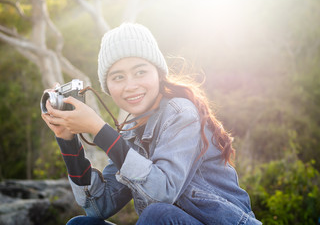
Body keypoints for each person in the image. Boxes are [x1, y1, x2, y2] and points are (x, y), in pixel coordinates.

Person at [41, 23, 262, 225]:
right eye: (118, 77)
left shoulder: (181, 113)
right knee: (81, 224)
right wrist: (67, 139)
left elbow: (162, 194)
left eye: (140, 72)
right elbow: (99, 207)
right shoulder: (130, 132)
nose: (130, 86)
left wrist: (100, 130)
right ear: (107, 86)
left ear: (158, 74)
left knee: (158, 215)